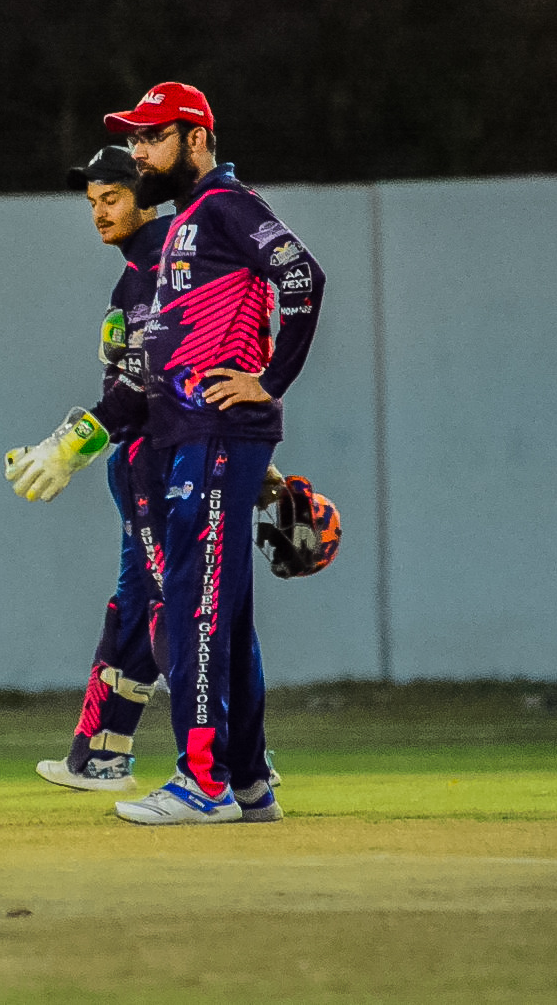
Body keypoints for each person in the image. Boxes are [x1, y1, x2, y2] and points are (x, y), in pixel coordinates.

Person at [100, 81, 324, 825]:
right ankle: (249, 780)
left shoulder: (225, 203)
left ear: (196, 138)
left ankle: (203, 781)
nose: (138, 151)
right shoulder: (189, 217)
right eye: (134, 137)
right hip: (195, 434)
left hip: (218, 431)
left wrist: (269, 382)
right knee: (222, 611)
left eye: (153, 135)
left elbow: (302, 273)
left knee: (194, 600)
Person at [12, 146, 171, 794]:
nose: (100, 213)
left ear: (145, 197)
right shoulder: (140, 270)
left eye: (113, 198)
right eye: (93, 202)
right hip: (143, 460)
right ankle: (100, 757)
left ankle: (232, 759)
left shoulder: (160, 267)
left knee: (178, 608)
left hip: (161, 461)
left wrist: (68, 447)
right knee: (134, 609)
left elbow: (144, 386)